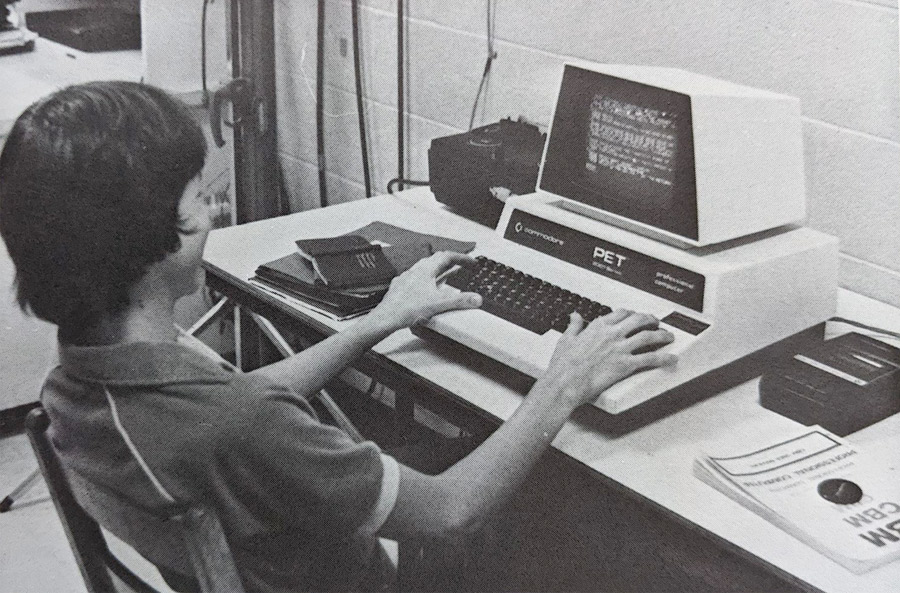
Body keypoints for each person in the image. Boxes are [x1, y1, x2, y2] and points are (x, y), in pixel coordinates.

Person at [0, 81, 677, 592]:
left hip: (278, 551)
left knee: (472, 439)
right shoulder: (241, 427)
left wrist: (378, 319)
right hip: (381, 577)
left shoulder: (79, 382)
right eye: (198, 198)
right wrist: (562, 381)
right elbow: (449, 512)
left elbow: (240, 399)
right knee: (591, 496)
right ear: (145, 241)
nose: (219, 210)